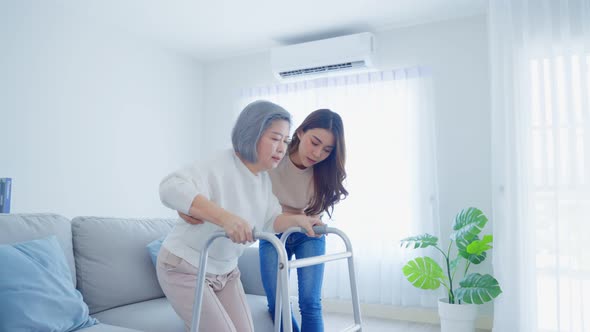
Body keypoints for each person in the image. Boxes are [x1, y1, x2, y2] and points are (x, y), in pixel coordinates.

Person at [157, 100, 323, 332]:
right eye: (275, 139)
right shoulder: (219, 163)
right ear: (252, 133)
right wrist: (225, 218)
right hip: (185, 265)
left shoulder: (263, 179)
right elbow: (171, 187)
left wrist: (299, 220)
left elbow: (271, 219)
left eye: (285, 141)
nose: (282, 148)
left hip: (226, 271)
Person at [259, 109, 348, 332]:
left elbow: (313, 214)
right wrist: (294, 216)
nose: (318, 154)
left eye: (327, 150)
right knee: (277, 304)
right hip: (273, 233)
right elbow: (261, 208)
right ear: (299, 132)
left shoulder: (325, 171)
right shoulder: (275, 155)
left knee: (310, 303)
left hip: (308, 234)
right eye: (314, 142)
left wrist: (295, 216)